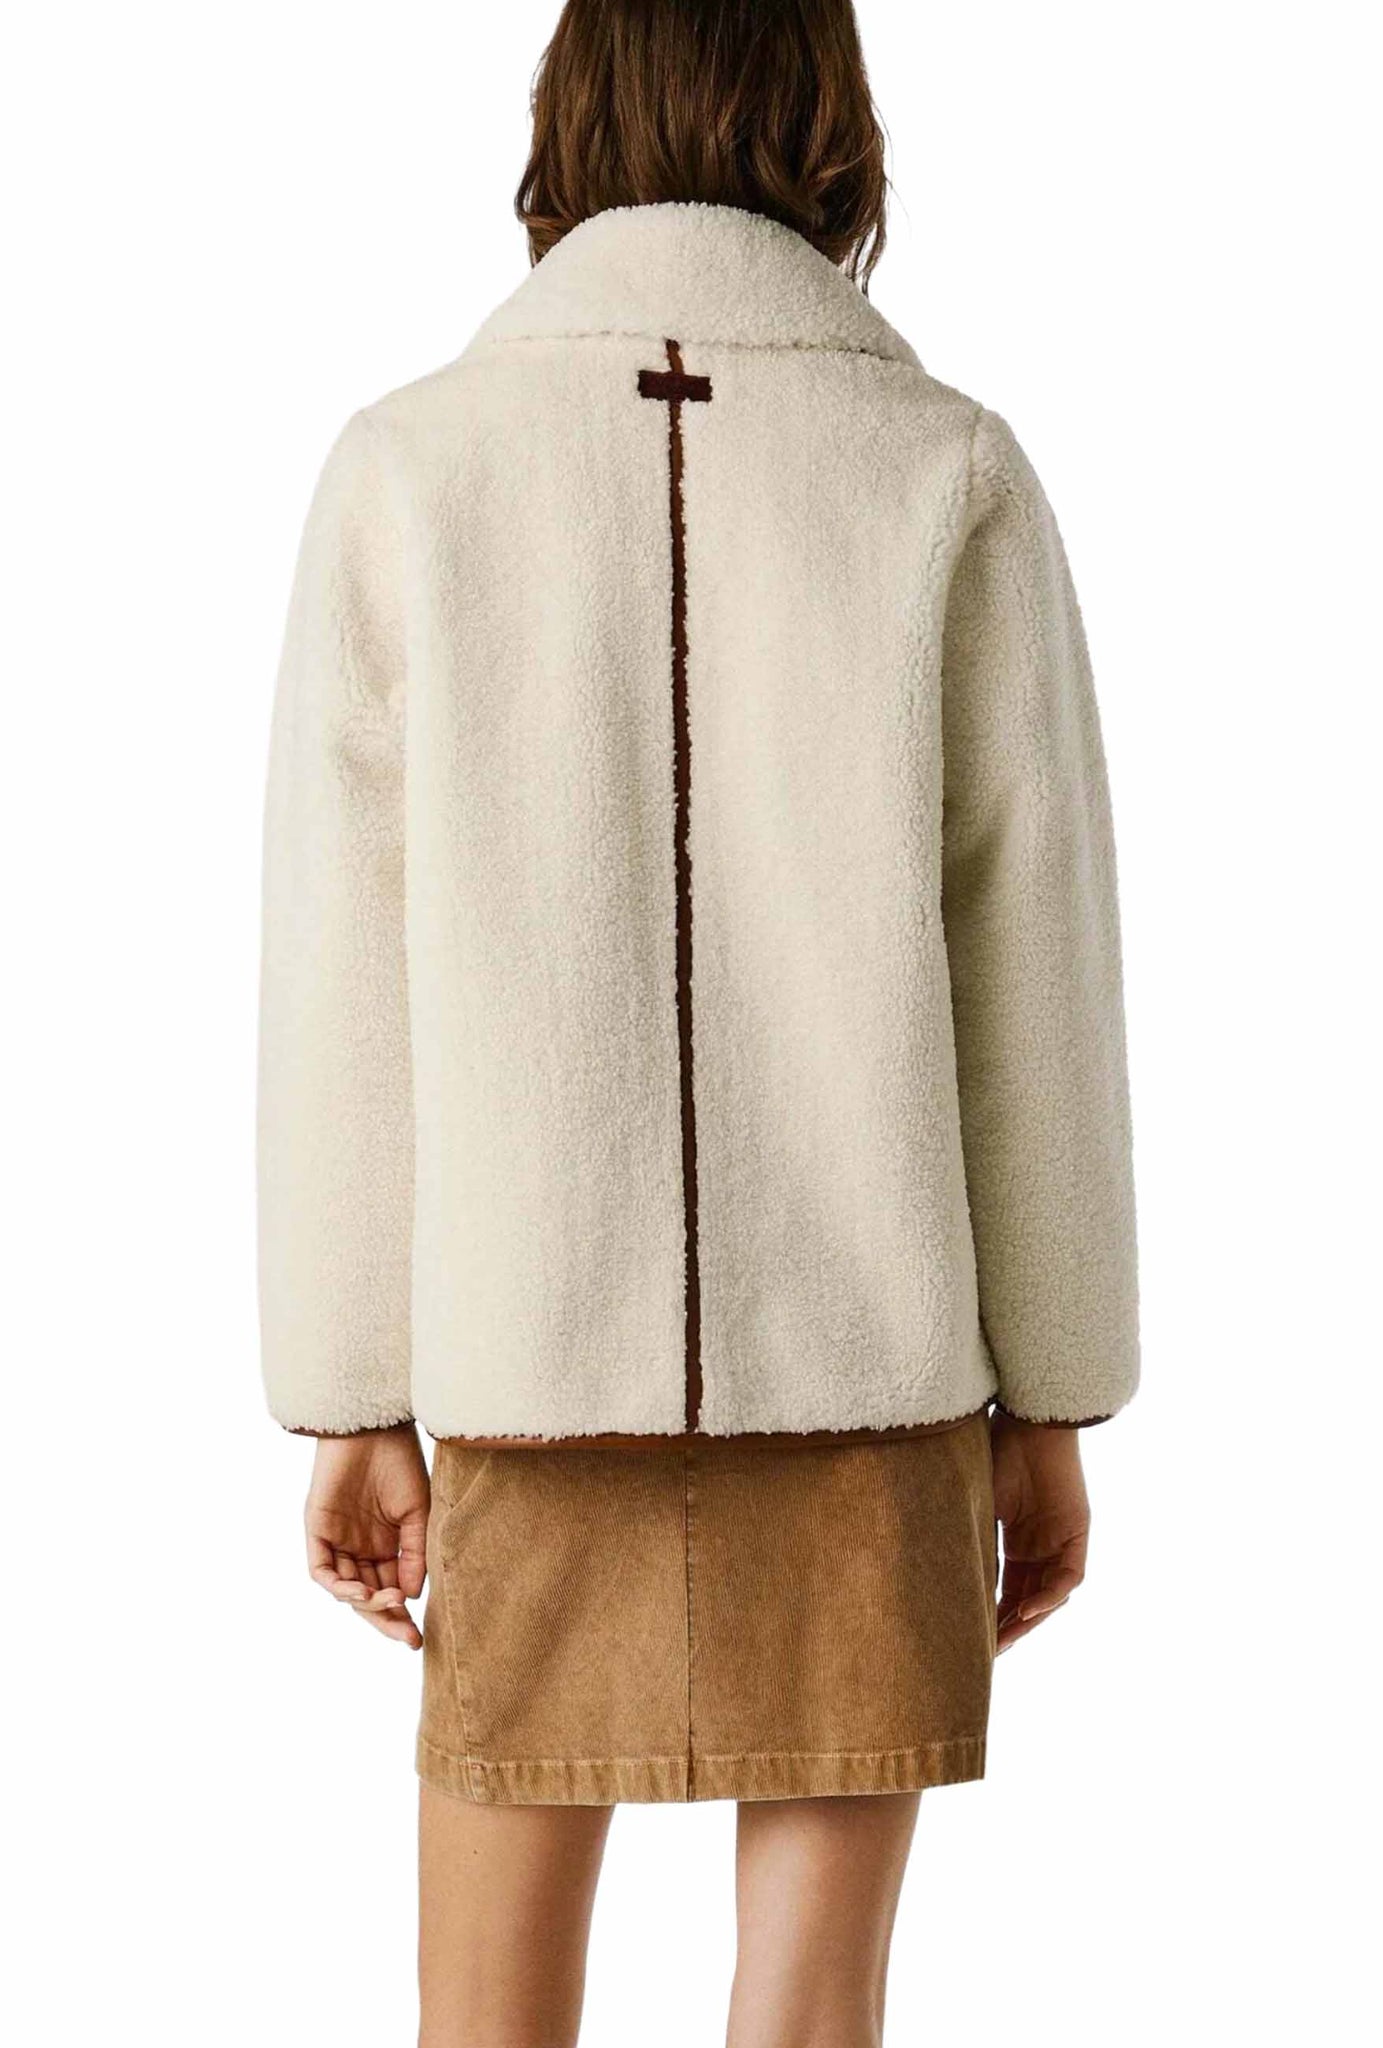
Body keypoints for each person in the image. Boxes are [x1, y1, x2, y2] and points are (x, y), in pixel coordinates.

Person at [257, 2, 1139, 2040]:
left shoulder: (412, 468)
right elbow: (1034, 965)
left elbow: (341, 965)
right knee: (813, 2016)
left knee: (481, 2019)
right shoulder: (944, 468)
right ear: (835, 129)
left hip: (523, 1367)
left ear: (566, 120)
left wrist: (353, 1385)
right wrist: (1052, 1389)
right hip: (876, 1377)